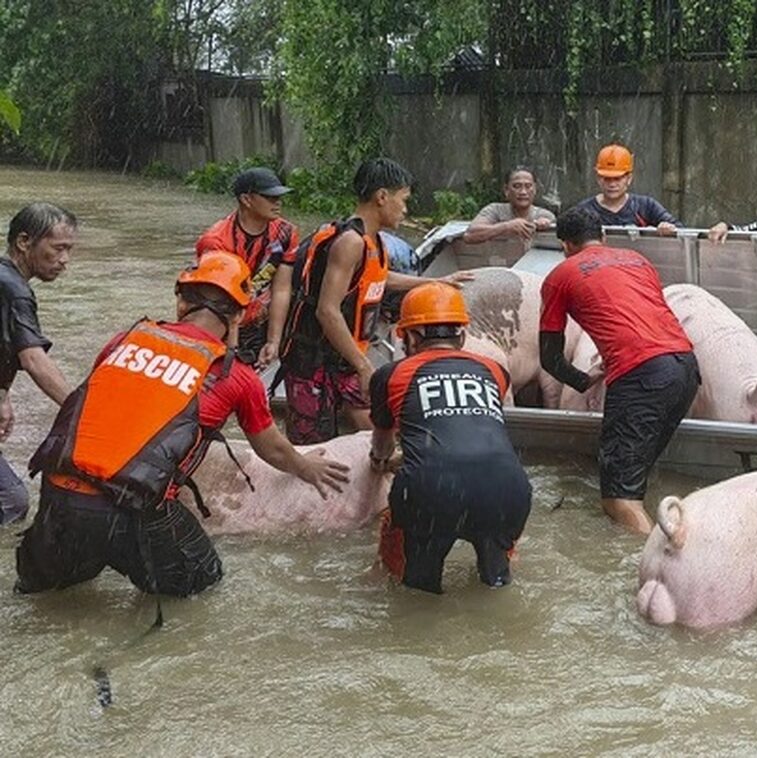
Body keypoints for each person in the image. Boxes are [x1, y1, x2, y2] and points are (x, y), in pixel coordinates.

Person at [15, 253, 350, 597]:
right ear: (239, 315)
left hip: (57, 492)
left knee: (44, 594)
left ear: (181, 303)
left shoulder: (124, 340)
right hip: (132, 508)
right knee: (202, 584)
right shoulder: (236, 376)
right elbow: (272, 448)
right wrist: (306, 467)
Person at [277, 157, 471, 445]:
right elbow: (327, 311)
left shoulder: (374, 241)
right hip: (312, 362)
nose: (405, 209)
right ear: (382, 197)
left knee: (380, 425)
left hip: (345, 359)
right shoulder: (350, 242)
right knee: (313, 450)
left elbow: (379, 277)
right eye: (403, 200)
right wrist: (364, 366)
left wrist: (436, 281)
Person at [539, 207, 700, 534]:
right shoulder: (637, 260)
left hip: (642, 376)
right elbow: (637, 316)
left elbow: (549, 358)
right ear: (602, 236)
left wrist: (583, 380)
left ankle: (650, 561)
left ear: (565, 245)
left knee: (619, 500)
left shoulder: (561, 275)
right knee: (635, 478)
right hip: (685, 367)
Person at [370, 282, 531, 593]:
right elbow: (471, 428)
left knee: (413, 591)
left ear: (410, 337)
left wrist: (380, 462)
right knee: (495, 586)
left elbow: (383, 445)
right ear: (462, 335)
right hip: (507, 488)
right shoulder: (495, 371)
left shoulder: (389, 375)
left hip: (430, 490)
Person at [0, 203, 77, 524]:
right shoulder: (14, 290)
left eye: (69, 250)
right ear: (24, 242)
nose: (65, 259)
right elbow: (33, 359)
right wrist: (80, 408)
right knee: (11, 501)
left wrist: (2, 393)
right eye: (58, 248)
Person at [195, 167, 300, 367]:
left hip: (259, 320)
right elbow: (215, 302)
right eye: (270, 197)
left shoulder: (286, 233)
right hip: (220, 323)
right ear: (246, 199)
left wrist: (273, 341)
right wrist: (231, 348)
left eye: (279, 197)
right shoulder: (216, 242)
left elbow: (281, 288)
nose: (278, 202)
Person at [574, 144, 679, 234]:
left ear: (629, 179)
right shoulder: (584, 211)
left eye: (617, 179)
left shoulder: (646, 206)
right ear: (598, 179)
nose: (612, 184)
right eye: (607, 179)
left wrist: (668, 228)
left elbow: (680, 231)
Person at [464, 166, 556, 243]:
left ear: (535, 190)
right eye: (517, 186)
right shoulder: (494, 210)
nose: (523, 192)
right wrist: (507, 227)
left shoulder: (545, 215)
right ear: (506, 190)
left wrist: (546, 227)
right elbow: (469, 235)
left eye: (528, 186)